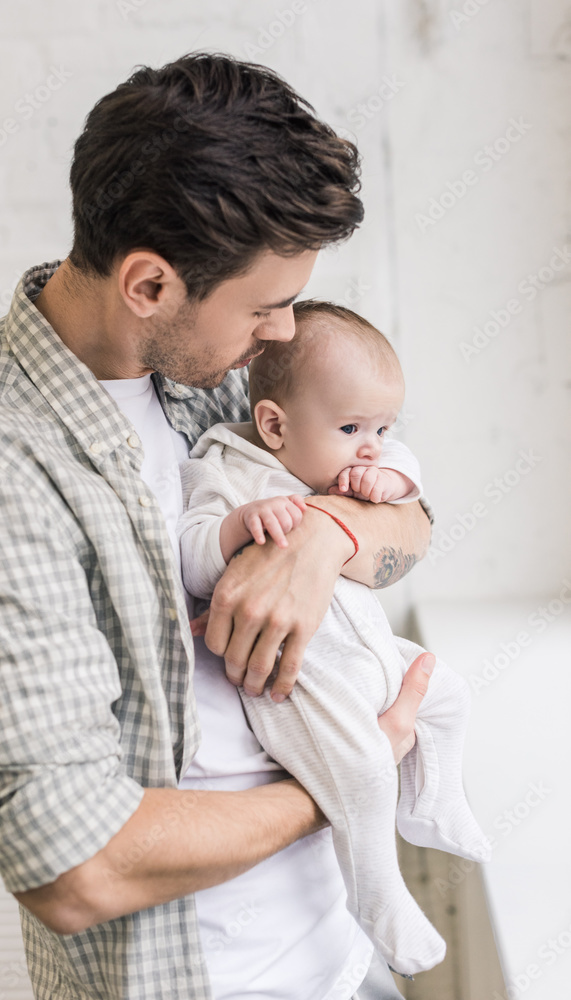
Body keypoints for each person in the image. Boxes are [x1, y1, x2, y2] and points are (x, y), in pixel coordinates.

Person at [0, 54, 435, 999]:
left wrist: (325, 543)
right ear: (148, 285)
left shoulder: (212, 367)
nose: (283, 333)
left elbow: (411, 518)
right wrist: (349, 775)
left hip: (347, 959)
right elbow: (76, 867)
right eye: (266, 306)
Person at [177, 300, 492, 977]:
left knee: (447, 692)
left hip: (368, 650)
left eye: (383, 426)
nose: (371, 444)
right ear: (274, 426)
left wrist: (390, 480)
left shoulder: (359, 457)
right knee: (364, 767)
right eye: (353, 428)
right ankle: (380, 896)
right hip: (300, 680)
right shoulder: (225, 469)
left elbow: (410, 494)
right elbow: (193, 554)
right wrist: (240, 527)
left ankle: (433, 798)